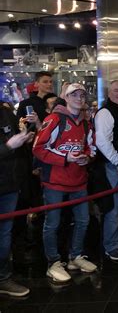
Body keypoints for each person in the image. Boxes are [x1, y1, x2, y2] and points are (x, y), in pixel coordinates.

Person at [32, 83, 97, 283]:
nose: (79, 98)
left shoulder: (86, 122)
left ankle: (75, 257)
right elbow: (38, 148)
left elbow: (90, 147)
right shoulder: (54, 119)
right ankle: (53, 263)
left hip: (79, 181)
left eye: (82, 95)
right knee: (52, 224)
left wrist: (87, 158)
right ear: (66, 98)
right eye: (74, 95)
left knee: (83, 220)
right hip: (54, 182)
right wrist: (65, 158)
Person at [94, 80, 118, 261]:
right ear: (109, 94)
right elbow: (102, 141)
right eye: (116, 90)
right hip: (113, 167)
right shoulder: (105, 113)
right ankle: (111, 245)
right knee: (114, 209)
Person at [0, 104, 34, 296]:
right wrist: (9, 146)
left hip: (10, 185)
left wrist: (25, 139)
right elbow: (9, 145)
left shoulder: (5, 113)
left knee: (5, 236)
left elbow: (16, 141)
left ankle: (3, 278)